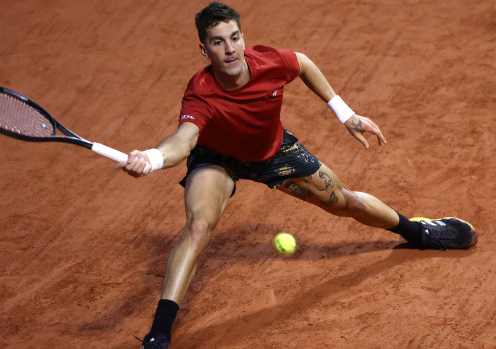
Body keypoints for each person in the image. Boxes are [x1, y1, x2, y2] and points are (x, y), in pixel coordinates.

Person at [119, 2, 477, 348]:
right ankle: (159, 334)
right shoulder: (201, 93)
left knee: (345, 202)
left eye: (235, 37)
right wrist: (151, 158)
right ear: (204, 49)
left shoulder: (269, 63)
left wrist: (344, 113)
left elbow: (303, 63)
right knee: (198, 227)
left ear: (243, 37)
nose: (230, 49)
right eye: (218, 42)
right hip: (218, 159)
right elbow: (182, 141)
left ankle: (418, 231)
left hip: (273, 153)